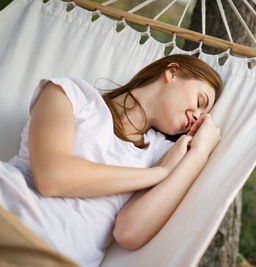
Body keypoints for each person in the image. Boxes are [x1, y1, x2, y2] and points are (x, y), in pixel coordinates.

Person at [0, 54, 223, 267]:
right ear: (172, 72)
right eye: (200, 100)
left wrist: (199, 152)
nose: (197, 116)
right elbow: (51, 177)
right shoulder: (72, 94)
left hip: (57, 257)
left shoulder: (164, 153)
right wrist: (158, 174)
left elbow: (129, 232)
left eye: (203, 115)